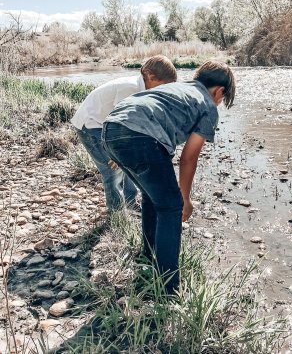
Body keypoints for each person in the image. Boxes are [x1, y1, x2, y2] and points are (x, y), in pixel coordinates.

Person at [102, 60, 236, 293]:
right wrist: (185, 198)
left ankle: (149, 258)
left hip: (110, 128)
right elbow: (189, 158)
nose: (219, 103)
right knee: (171, 206)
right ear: (220, 91)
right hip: (139, 135)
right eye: (222, 99)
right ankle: (168, 289)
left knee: (154, 197)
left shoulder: (177, 88)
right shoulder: (207, 106)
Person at [71, 55, 177, 210]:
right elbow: (118, 121)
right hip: (90, 125)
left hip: (105, 123)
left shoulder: (145, 89)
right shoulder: (131, 88)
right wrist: (116, 153)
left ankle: (130, 202)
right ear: (152, 77)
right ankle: (117, 212)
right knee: (112, 169)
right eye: (164, 86)